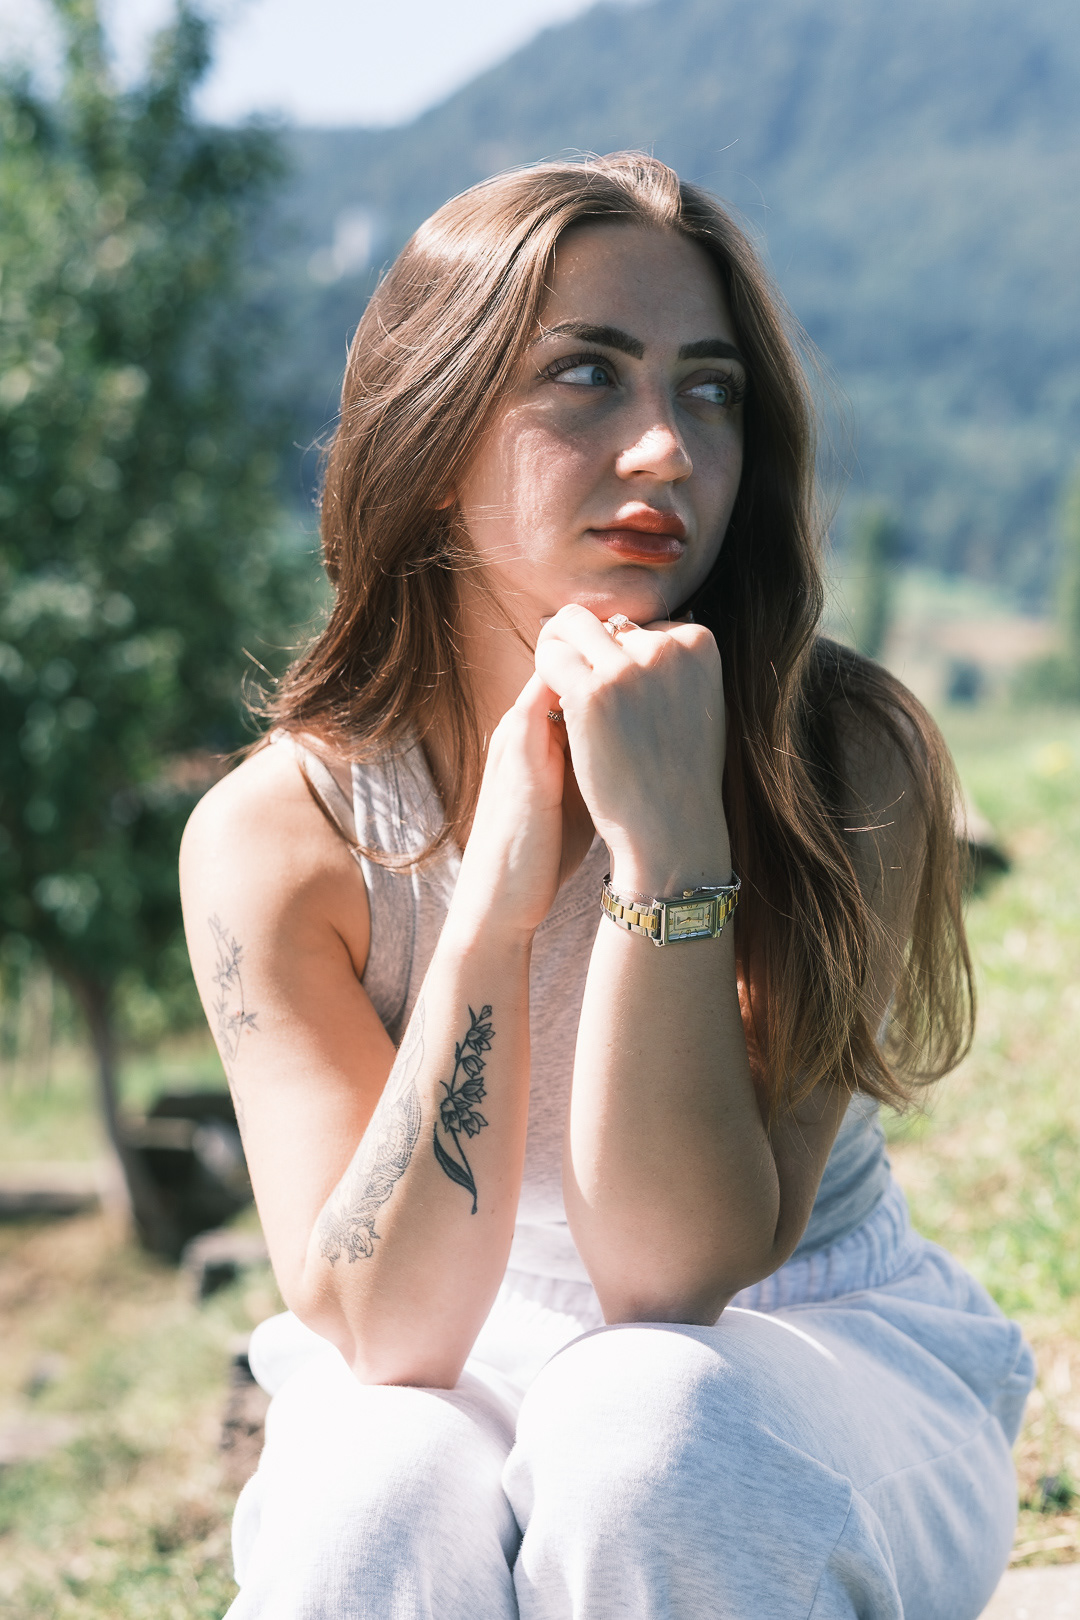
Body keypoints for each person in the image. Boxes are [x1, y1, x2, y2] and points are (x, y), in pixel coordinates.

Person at [180, 152, 1033, 1620]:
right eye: (587, 375)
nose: (666, 450)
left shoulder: (838, 757)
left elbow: (672, 1270)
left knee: (645, 1431)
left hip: (800, 1358)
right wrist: (494, 907)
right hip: (455, 1369)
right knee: (370, 1493)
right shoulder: (283, 834)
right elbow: (388, 1330)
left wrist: (670, 849)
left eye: (712, 390)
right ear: (430, 427)